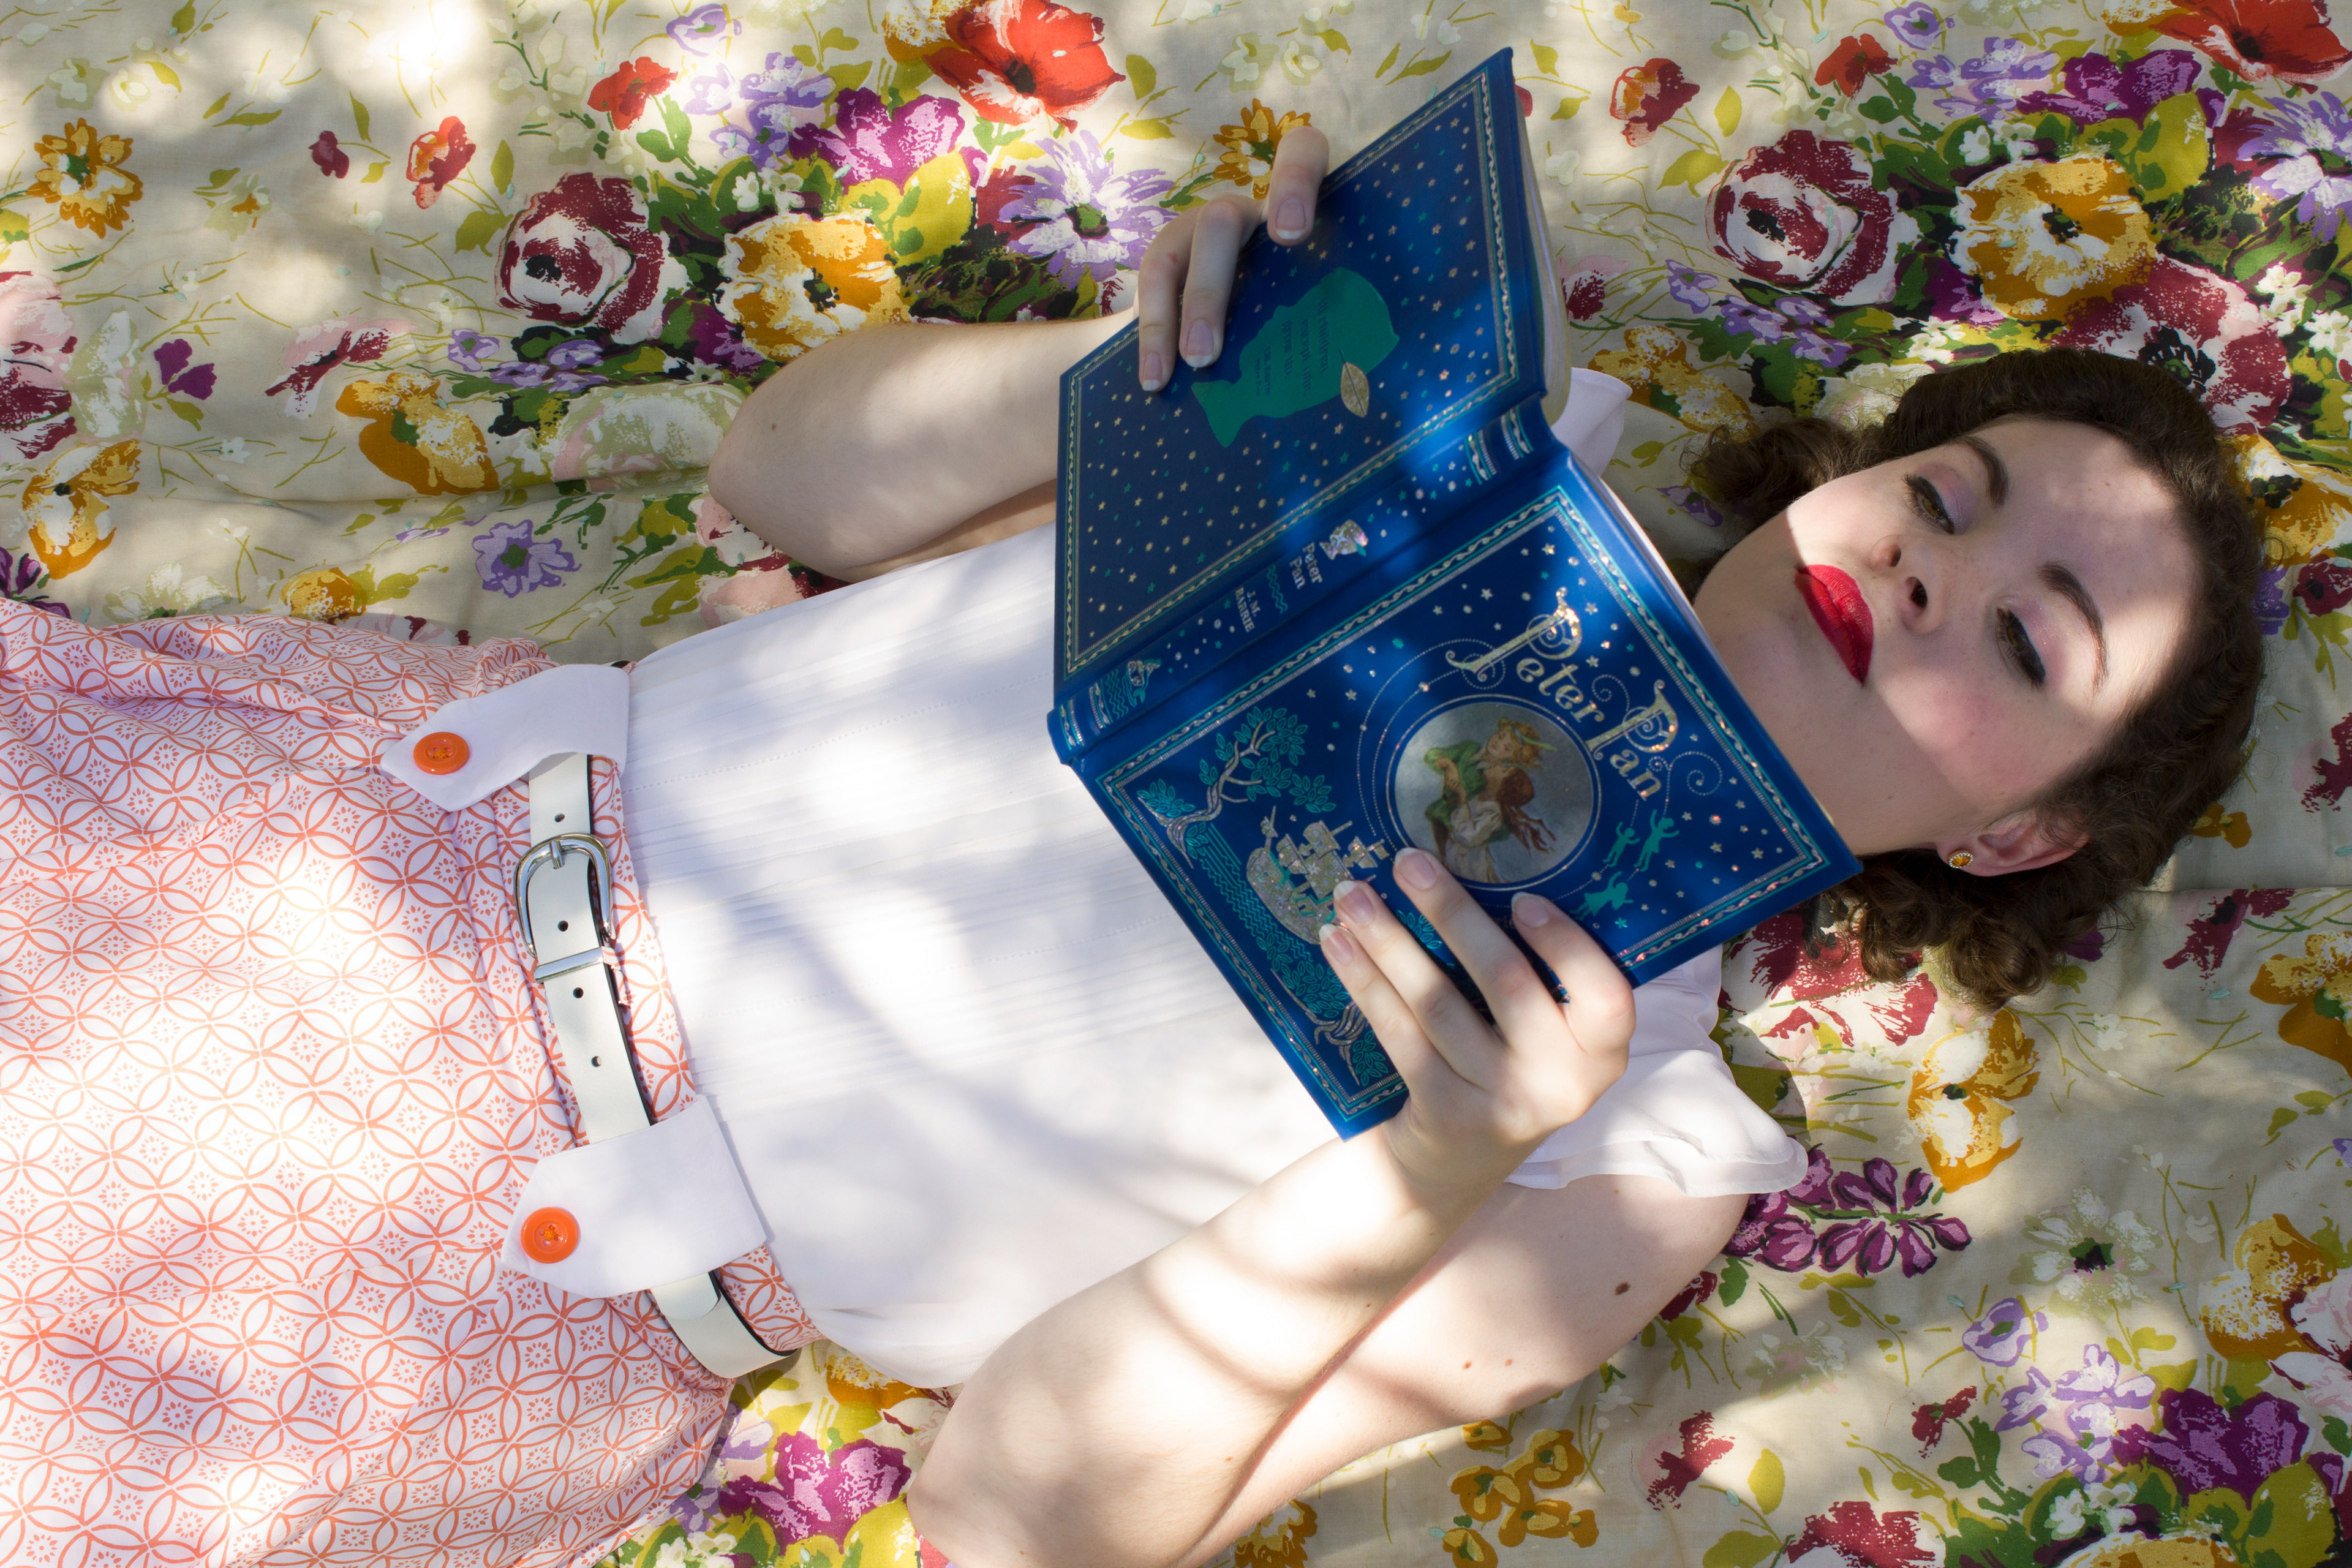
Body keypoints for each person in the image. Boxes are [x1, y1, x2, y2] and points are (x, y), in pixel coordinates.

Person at [0, 129, 2260, 1568]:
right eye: (1945, 497)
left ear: (2022, 828)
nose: (1937, 577)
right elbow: (791, 481)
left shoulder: (1634, 1158)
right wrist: (1130, 375)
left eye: (2031, 639)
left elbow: (1017, 1528)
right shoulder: (1466, 411)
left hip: (438, 1299)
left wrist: (1434, 1159)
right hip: (283, 848)